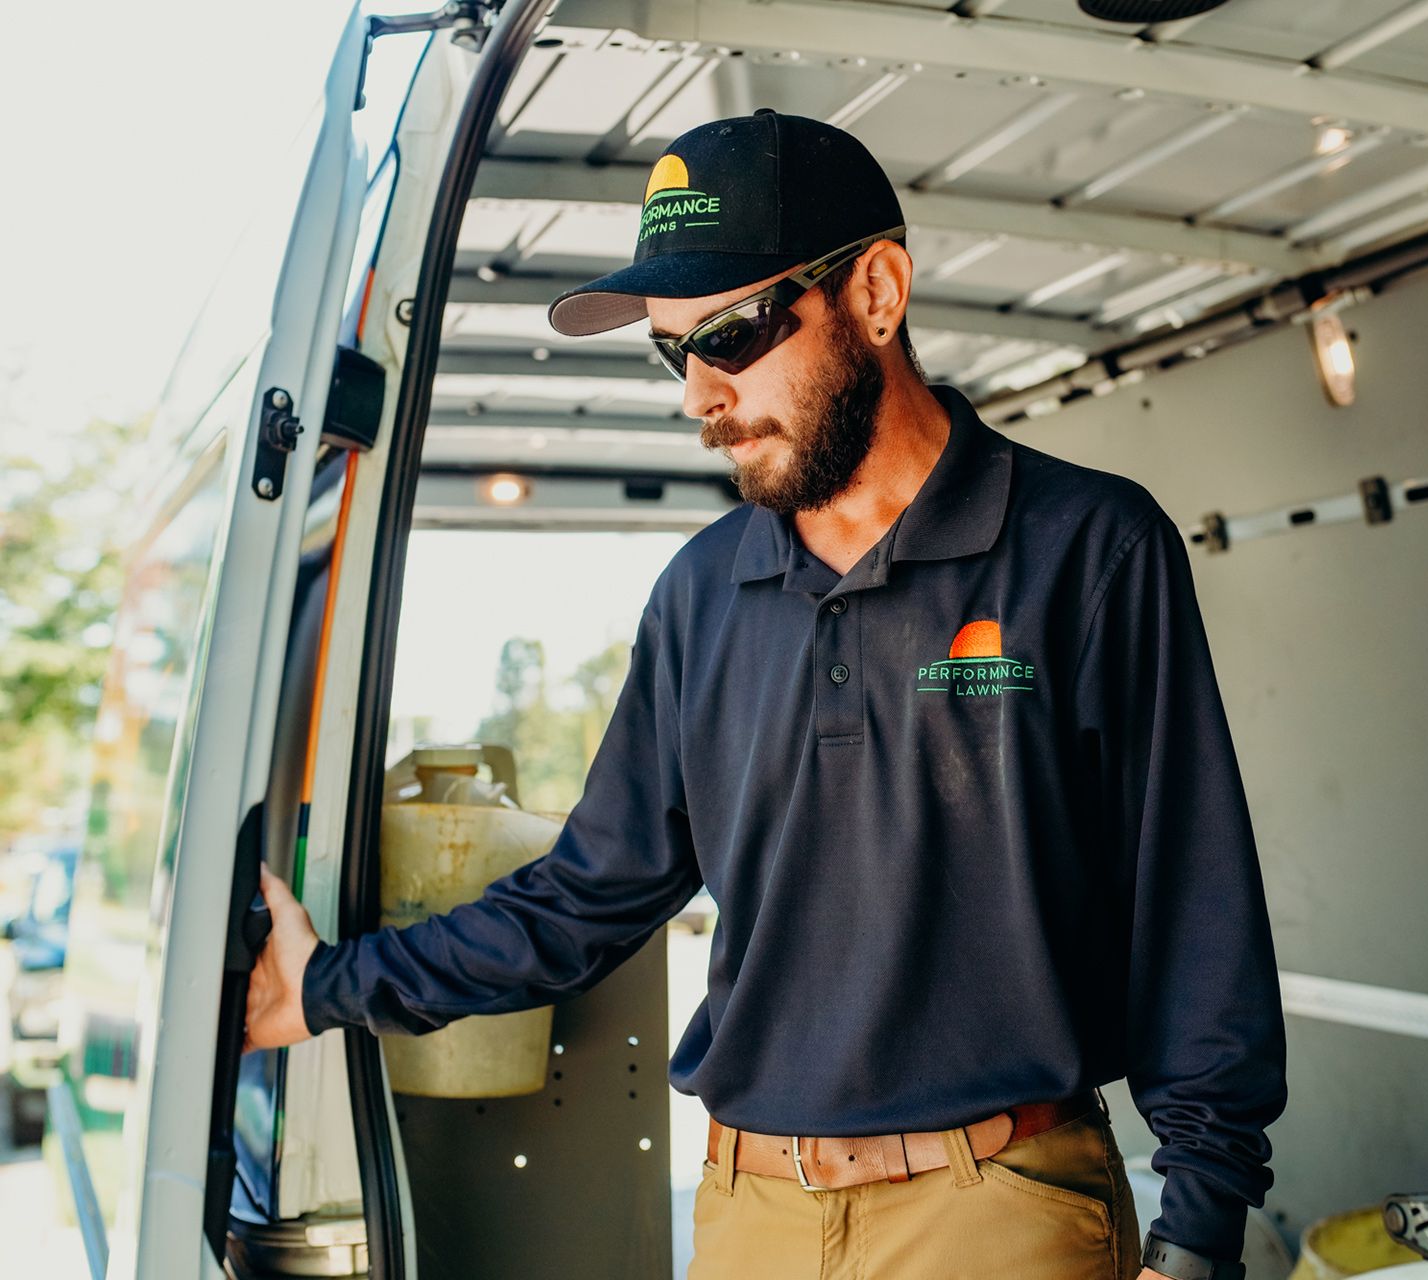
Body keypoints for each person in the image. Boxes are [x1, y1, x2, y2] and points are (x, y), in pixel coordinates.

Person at [244, 109, 1286, 1280]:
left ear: (878, 294)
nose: (699, 393)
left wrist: (1197, 1230)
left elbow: (1195, 907)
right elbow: (587, 897)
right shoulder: (700, 595)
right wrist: (324, 986)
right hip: (751, 1216)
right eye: (671, 348)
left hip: (995, 1211)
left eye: (731, 333)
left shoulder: (1089, 548)